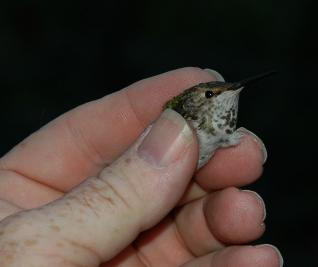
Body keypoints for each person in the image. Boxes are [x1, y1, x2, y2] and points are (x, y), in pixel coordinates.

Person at [0, 68, 283, 267]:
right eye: (211, 95)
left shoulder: (222, 123)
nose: (222, 95)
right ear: (194, 106)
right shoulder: (185, 120)